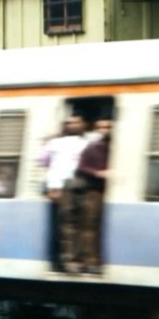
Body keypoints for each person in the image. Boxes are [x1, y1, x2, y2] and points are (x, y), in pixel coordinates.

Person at [37, 115, 89, 273]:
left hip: (76, 188)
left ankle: (68, 260)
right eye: (69, 123)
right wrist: (53, 186)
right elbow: (42, 161)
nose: (72, 125)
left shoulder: (86, 143)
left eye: (75, 122)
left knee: (72, 227)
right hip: (59, 188)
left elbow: (42, 161)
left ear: (83, 124)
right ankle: (57, 260)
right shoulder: (56, 143)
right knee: (60, 227)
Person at [72, 119, 112, 275]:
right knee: (89, 227)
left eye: (108, 127)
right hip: (93, 190)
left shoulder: (113, 147)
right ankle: (89, 261)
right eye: (101, 127)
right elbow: (82, 167)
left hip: (105, 191)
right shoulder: (92, 147)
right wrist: (99, 173)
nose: (105, 130)